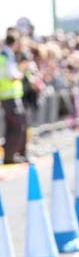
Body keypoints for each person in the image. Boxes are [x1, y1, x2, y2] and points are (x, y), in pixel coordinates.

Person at [0, 31, 28, 164]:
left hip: (7, 97)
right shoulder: (7, 56)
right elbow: (13, 75)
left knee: (12, 127)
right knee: (16, 127)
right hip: (10, 97)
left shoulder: (3, 55)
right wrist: (22, 71)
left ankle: (10, 155)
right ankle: (10, 156)